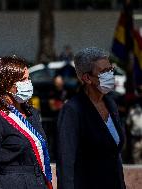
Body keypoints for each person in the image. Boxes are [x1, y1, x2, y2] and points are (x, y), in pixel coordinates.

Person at [56, 47, 126, 189]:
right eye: (103, 72)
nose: (110, 75)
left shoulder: (110, 104)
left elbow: (115, 154)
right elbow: (66, 161)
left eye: (110, 69)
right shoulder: (73, 109)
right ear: (87, 78)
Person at [0, 56, 53, 189]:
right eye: (23, 80)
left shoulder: (32, 113)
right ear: (6, 83)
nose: (28, 83)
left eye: (28, 78)